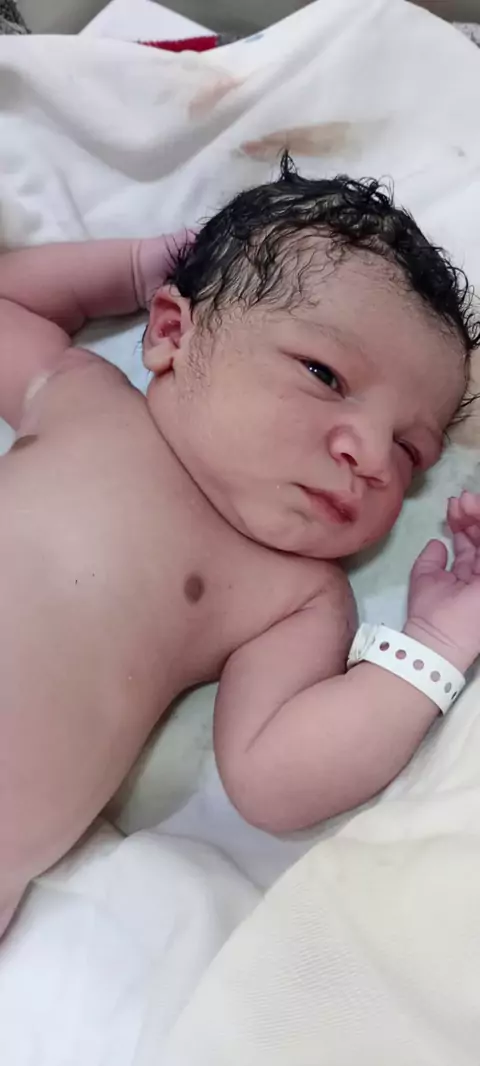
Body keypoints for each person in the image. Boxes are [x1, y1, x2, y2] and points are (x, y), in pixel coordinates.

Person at [1, 154, 479, 936]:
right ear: (170, 333)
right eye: (325, 374)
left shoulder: (291, 591)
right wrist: (138, 266)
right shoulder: (82, 394)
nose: (369, 453)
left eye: (410, 450)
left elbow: (278, 780)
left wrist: (438, 643)